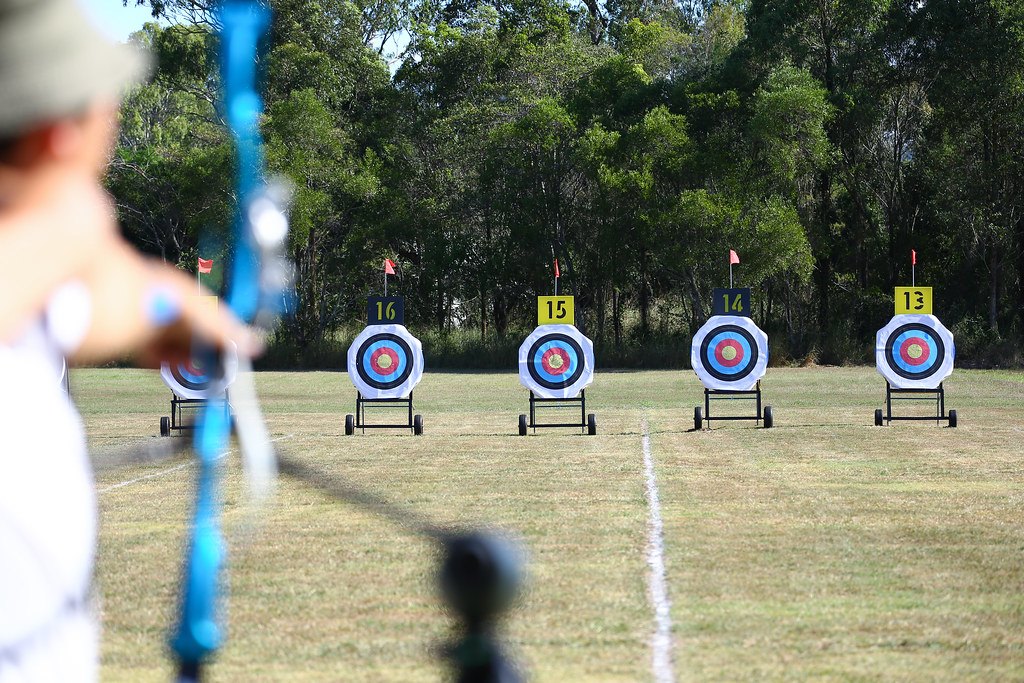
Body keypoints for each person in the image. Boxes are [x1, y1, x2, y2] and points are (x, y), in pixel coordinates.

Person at [0, 0, 257, 679]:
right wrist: (75, 221)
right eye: (104, 102)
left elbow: (114, 301)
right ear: (59, 132)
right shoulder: (50, 241)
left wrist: (173, 305)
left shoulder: (39, 284)